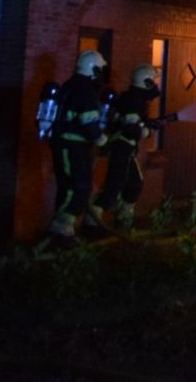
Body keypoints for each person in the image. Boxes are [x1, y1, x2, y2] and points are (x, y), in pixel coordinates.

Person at [47, 49, 108, 246]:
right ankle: (60, 228)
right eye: (100, 70)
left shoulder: (71, 85)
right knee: (79, 187)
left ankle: (63, 232)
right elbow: (89, 121)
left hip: (67, 144)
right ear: (94, 70)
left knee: (68, 187)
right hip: (72, 146)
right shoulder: (85, 90)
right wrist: (100, 139)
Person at [92, 63, 161, 228]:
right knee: (115, 184)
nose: (156, 86)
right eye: (153, 81)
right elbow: (131, 129)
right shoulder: (133, 100)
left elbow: (134, 123)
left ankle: (123, 219)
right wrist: (146, 131)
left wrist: (148, 126)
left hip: (126, 149)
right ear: (146, 82)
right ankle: (93, 220)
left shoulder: (134, 98)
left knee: (134, 183)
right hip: (122, 147)